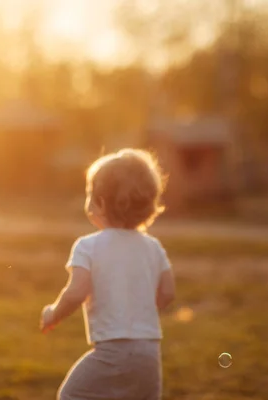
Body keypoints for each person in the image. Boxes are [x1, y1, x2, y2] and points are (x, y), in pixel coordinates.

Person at [40, 148, 176, 400]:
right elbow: (168, 292)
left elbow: (76, 292)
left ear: (100, 203)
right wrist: (140, 310)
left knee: (71, 396)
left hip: (112, 351)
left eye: (90, 194)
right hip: (149, 353)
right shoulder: (153, 246)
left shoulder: (88, 246)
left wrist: (52, 313)